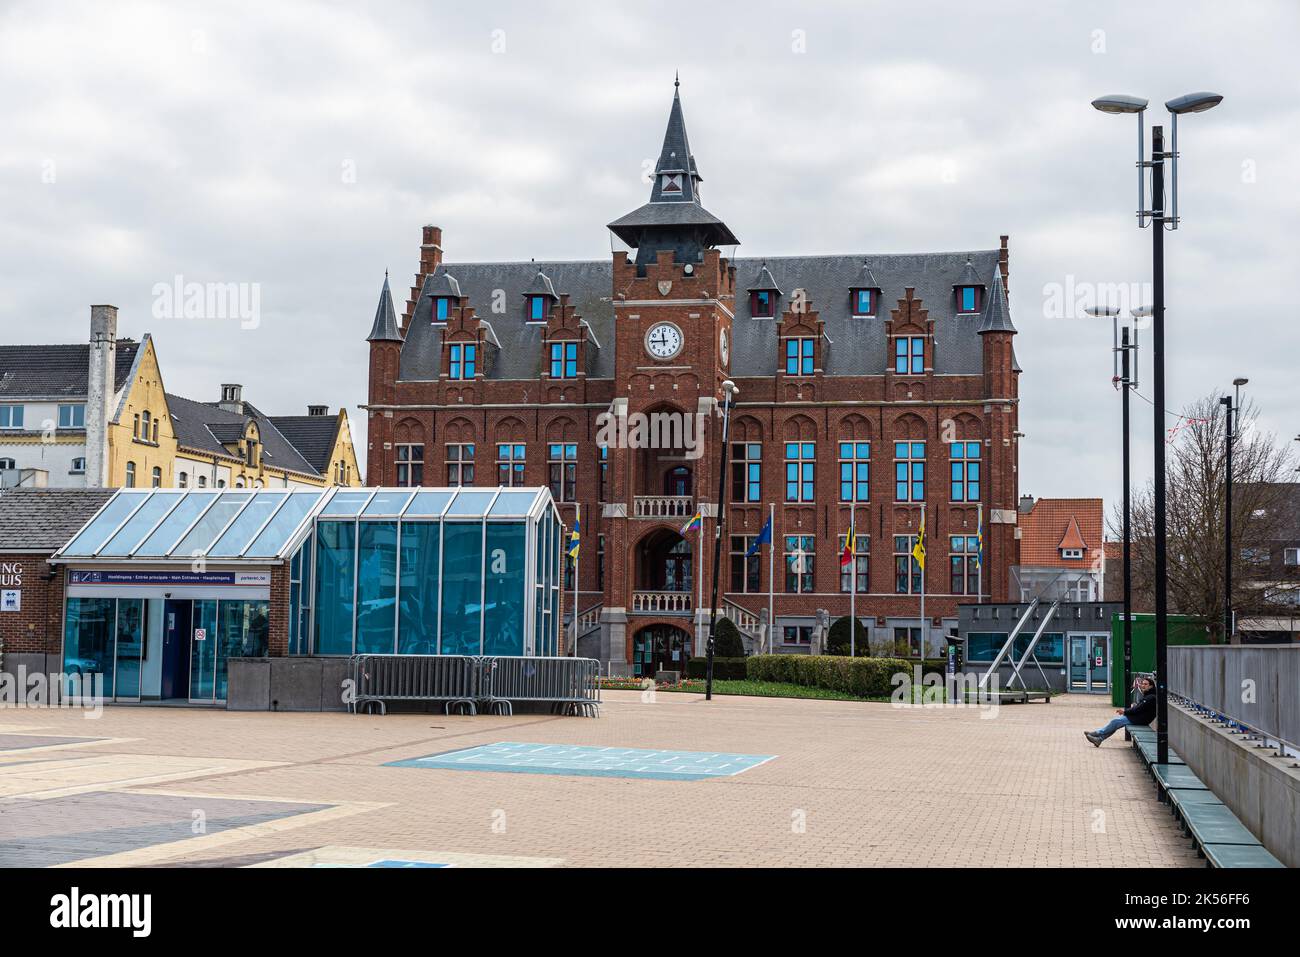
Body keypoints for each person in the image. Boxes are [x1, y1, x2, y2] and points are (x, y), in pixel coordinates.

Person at [1084, 675, 1156, 747]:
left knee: (1115, 722)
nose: (1143, 685)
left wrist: (1125, 712)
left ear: (1151, 686)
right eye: (1142, 684)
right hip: (1138, 718)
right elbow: (1139, 708)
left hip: (1139, 720)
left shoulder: (1150, 697)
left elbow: (1138, 709)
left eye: (1146, 684)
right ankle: (1099, 739)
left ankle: (1097, 733)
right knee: (1115, 724)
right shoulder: (1148, 696)